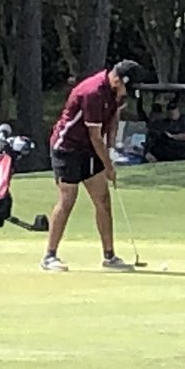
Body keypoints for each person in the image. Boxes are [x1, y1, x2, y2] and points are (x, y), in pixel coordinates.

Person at [41, 59, 144, 272]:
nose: (127, 93)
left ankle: (109, 256)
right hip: (67, 147)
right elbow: (95, 136)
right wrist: (108, 166)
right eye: (127, 87)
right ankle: (49, 256)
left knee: (103, 199)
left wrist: (112, 150)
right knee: (68, 199)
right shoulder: (93, 93)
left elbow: (114, 119)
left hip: (89, 149)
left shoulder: (117, 93)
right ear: (117, 79)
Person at [145, 98, 185, 162]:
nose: (172, 111)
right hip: (171, 149)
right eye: (169, 109)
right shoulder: (165, 123)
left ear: (178, 109)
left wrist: (173, 137)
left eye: (173, 109)